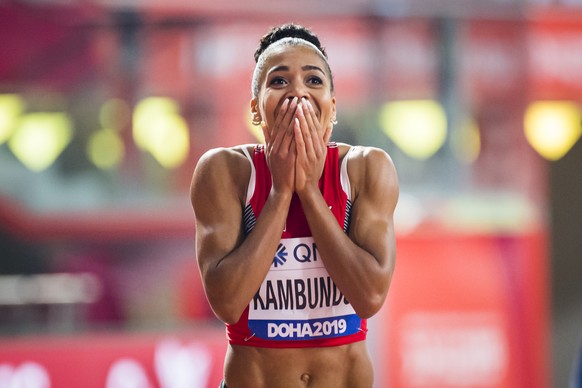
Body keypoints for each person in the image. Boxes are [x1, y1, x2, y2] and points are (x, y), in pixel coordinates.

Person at [190, 23, 399, 388]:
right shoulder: (224, 170)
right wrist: (280, 192)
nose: (298, 93)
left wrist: (309, 191)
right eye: (280, 81)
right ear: (256, 109)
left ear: (332, 108)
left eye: (314, 81)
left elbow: (369, 296)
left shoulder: (366, 168)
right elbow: (226, 303)